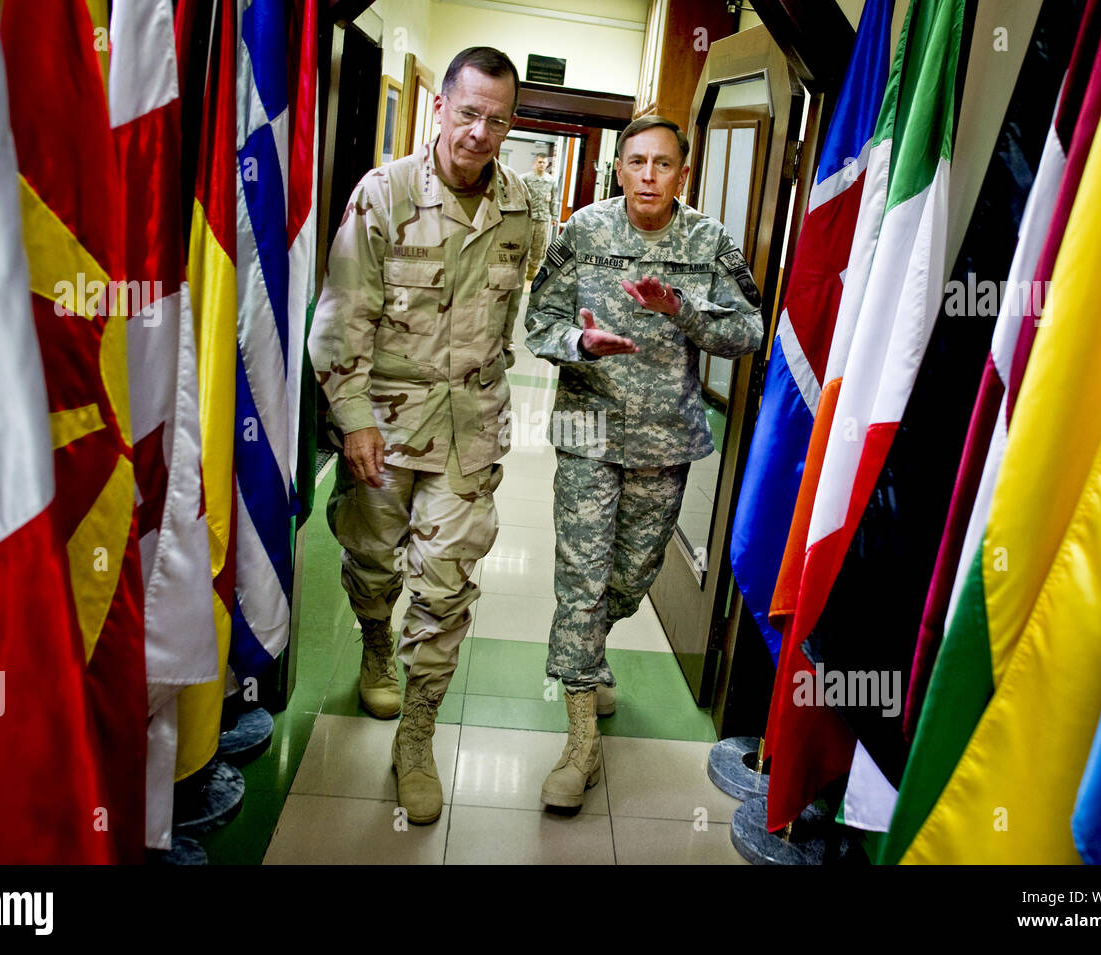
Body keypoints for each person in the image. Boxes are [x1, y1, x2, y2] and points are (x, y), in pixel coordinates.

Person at [308, 46, 530, 825]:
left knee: (446, 586)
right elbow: (342, 315)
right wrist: (353, 418)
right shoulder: (386, 194)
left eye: (496, 120)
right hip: (387, 428)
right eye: (467, 113)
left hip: (470, 435)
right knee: (373, 559)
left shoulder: (521, 208)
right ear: (440, 107)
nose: (478, 133)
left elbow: (510, 320)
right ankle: (375, 639)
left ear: (510, 124)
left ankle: (417, 735)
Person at [525, 115, 763, 809]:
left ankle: (589, 651)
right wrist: (581, 343)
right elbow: (538, 321)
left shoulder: (708, 241)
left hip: (665, 436)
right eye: (637, 162)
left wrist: (682, 309)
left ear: (683, 173)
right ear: (620, 168)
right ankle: (580, 741)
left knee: (631, 576)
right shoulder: (583, 230)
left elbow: (749, 329)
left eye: (663, 163)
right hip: (588, 425)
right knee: (582, 577)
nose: (649, 175)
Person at [520, 153, 557, 282]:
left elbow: (554, 199)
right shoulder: (525, 178)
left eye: (544, 162)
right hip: (528, 217)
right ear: (534, 163)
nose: (541, 165)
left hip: (543, 218)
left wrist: (554, 216)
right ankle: (520, 269)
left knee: (539, 246)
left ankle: (532, 270)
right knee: (524, 244)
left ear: (547, 164)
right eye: (539, 162)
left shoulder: (551, 181)